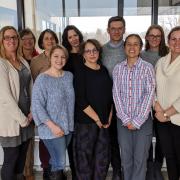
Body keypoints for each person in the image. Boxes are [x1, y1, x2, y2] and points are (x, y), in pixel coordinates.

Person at [113, 34, 155, 180]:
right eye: (129, 44)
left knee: (140, 160)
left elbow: (150, 94)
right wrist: (125, 119)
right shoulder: (118, 69)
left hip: (143, 122)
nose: (132, 47)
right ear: (124, 47)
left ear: (141, 47)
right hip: (123, 121)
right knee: (126, 159)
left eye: (136, 44)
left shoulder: (148, 68)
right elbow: (116, 95)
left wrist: (137, 120)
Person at [32, 44, 75, 180]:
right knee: (59, 162)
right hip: (51, 129)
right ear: (50, 58)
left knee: (56, 161)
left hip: (67, 127)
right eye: (56, 56)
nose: (59, 59)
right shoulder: (42, 79)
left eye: (63, 57)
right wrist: (53, 126)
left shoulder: (69, 76)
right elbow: (37, 106)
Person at [73, 39, 113, 180]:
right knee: (85, 163)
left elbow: (110, 96)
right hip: (85, 124)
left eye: (94, 50)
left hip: (104, 124)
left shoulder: (103, 70)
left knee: (102, 161)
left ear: (99, 52)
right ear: (83, 54)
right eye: (88, 51)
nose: (92, 53)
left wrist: (108, 117)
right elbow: (81, 100)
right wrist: (97, 119)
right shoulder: (80, 72)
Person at [0, 26, 34, 180]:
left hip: (28, 117)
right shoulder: (1, 64)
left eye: (14, 37)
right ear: (2, 41)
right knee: (11, 159)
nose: (11, 40)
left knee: (21, 160)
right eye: (7, 37)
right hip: (12, 120)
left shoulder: (22, 61)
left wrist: (33, 111)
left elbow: (31, 87)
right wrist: (22, 119)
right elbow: (5, 97)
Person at [141, 24, 169, 180]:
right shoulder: (141, 55)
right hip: (145, 102)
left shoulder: (168, 55)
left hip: (163, 103)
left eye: (157, 36)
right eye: (151, 35)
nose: (154, 39)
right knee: (146, 137)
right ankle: (147, 166)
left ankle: (157, 167)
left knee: (161, 138)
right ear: (146, 37)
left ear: (162, 38)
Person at [30, 29, 59, 180]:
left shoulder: (61, 56)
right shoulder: (35, 61)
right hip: (43, 106)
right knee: (44, 139)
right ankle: (46, 169)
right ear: (41, 42)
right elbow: (34, 84)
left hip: (59, 107)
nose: (50, 41)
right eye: (47, 39)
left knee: (59, 137)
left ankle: (57, 169)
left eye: (52, 38)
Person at [101, 16, 126, 180]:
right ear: (108, 30)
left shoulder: (129, 47)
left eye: (120, 28)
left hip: (126, 102)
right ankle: (116, 170)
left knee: (125, 138)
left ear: (124, 29)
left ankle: (127, 169)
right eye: (113, 28)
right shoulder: (101, 50)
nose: (116, 31)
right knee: (110, 139)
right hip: (107, 102)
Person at [155, 26, 180, 180]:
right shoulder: (161, 61)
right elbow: (152, 87)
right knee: (169, 156)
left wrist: (166, 113)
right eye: (174, 39)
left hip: (177, 118)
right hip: (161, 119)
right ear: (168, 41)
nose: (177, 42)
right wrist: (157, 108)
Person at [62, 25, 84, 180]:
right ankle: (75, 175)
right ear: (66, 40)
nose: (74, 39)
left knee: (83, 143)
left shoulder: (87, 53)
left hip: (87, 104)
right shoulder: (65, 58)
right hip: (70, 105)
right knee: (72, 143)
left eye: (75, 35)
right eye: (70, 37)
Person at [19, 27, 39, 180]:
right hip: (19, 105)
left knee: (30, 140)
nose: (28, 41)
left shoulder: (39, 58)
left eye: (30, 38)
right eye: (24, 38)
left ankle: (29, 172)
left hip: (35, 105)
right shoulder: (15, 59)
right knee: (16, 142)